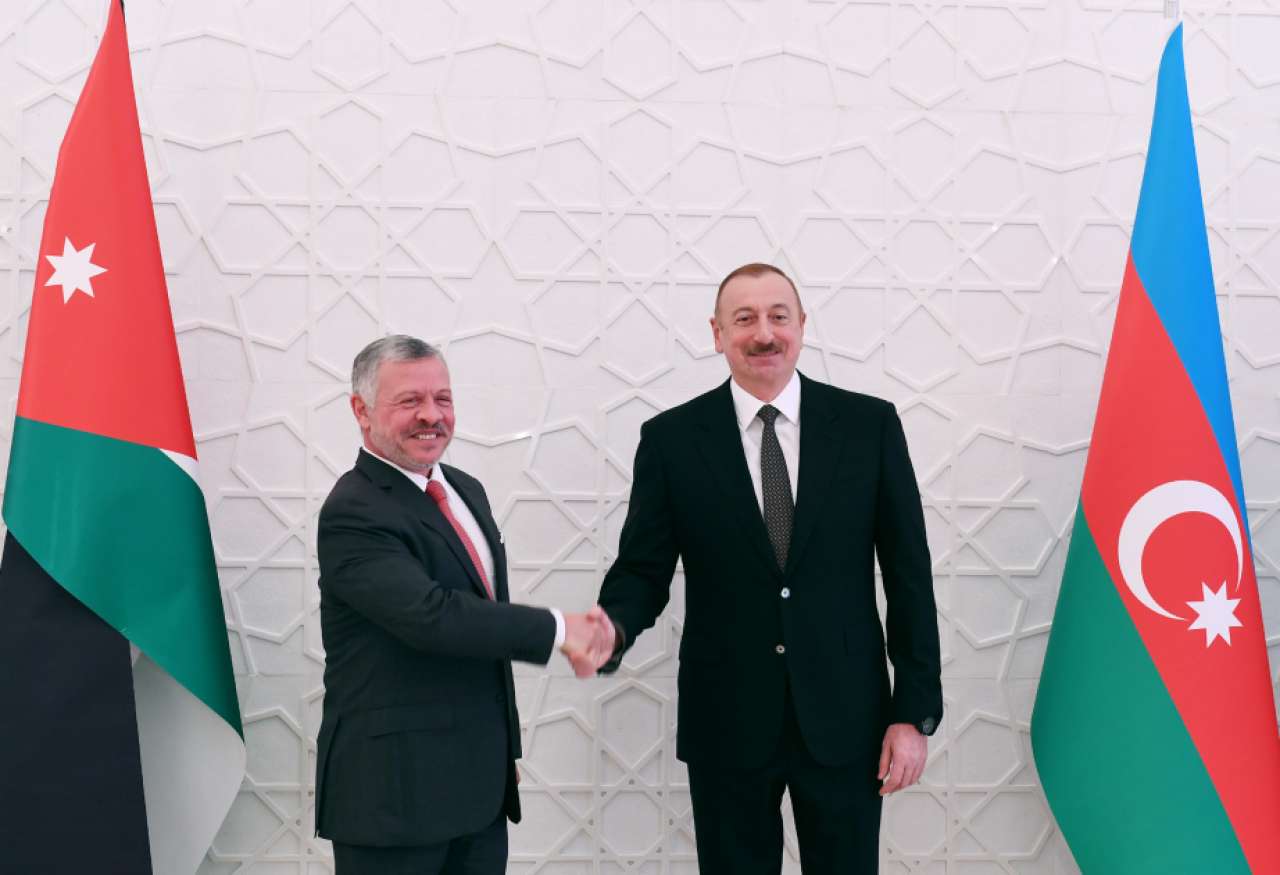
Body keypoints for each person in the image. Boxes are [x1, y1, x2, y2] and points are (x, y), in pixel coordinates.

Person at [585, 264, 943, 873]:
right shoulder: (672, 439)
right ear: (717, 333)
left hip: (847, 717)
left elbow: (909, 575)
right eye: (744, 318)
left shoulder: (869, 426)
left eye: (778, 316)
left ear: (801, 325)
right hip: (727, 719)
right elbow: (643, 568)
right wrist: (610, 630)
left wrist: (912, 712)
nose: (764, 333)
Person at [315, 335, 612, 874]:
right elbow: (433, 617)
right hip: (392, 799)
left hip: (477, 793)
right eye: (410, 401)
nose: (431, 415)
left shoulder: (465, 490)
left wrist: (502, 752)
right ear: (361, 410)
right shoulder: (353, 510)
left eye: (443, 399)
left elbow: (482, 627)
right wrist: (559, 630)